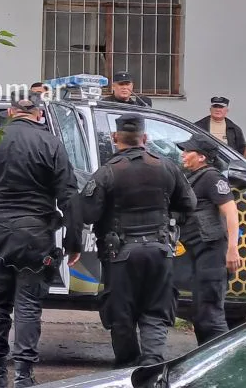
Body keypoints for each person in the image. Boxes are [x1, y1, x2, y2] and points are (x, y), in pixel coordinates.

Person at [0, 93, 83, 388]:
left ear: (10, 112)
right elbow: (69, 195)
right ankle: (23, 376)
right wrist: (73, 241)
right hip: (36, 234)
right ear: (39, 114)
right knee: (28, 305)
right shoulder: (51, 143)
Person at [82, 114, 196, 368]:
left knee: (121, 314)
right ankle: (152, 364)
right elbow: (189, 203)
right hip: (160, 250)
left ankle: (127, 367)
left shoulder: (107, 172)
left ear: (115, 138)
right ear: (145, 138)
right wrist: (168, 217)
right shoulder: (167, 167)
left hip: (120, 255)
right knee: (156, 309)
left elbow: (87, 213)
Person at [177, 133, 242, 345]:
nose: (183, 154)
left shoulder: (212, 178)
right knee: (201, 313)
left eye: (188, 151)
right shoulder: (193, 177)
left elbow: (231, 212)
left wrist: (232, 249)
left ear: (202, 157)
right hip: (199, 253)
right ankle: (204, 358)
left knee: (211, 315)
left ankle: (223, 359)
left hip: (213, 253)